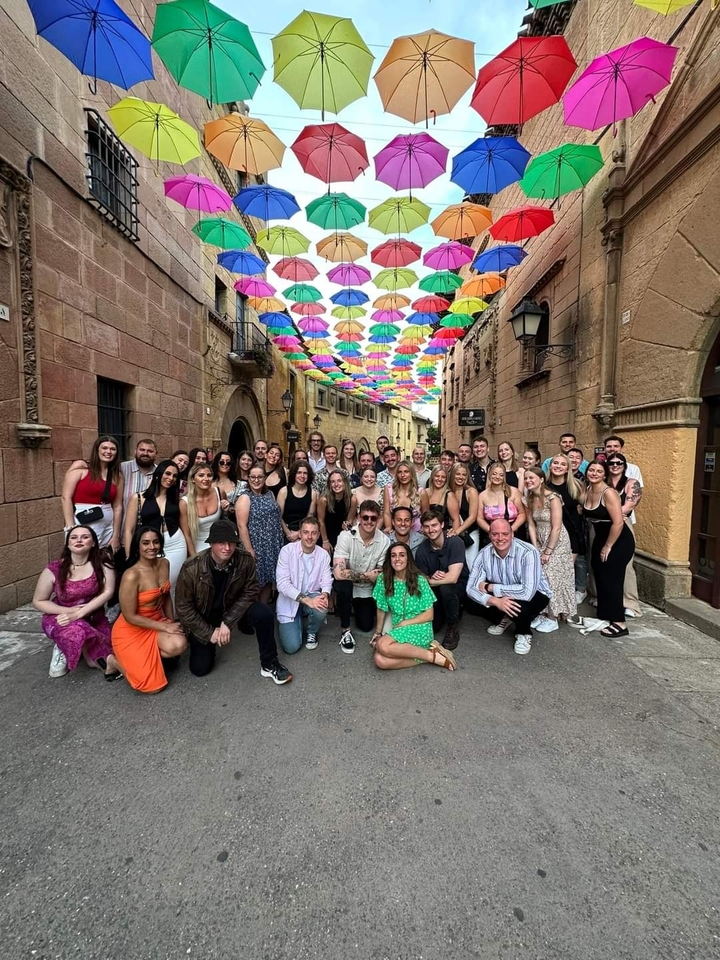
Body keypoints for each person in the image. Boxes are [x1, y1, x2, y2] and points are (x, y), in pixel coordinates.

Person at [175, 519, 291, 684]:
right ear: (211, 543)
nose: (227, 548)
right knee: (200, 669)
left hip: (234, 609)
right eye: (221, 543)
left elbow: (251, 590)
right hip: (205, 615)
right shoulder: (192, 567)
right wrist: (210, 633)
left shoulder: (245, 559)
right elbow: (183, 608)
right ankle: (212, 641)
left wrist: (227, 622)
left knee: (263, 613)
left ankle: (270, 664)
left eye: (231, 543)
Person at [33, 525, 120, 680]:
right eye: (73, 537)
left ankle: (109, 662)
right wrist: (69, 612)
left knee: (107, 646)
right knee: (79, 632)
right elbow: (38, 601)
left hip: (93, 617)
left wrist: (79, 613)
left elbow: (108, 592)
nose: (79, 540)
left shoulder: (103, 563)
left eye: (85, 537)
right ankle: (62, 646)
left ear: (93, 543)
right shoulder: (54, 568)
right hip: (60, 617)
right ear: (68, 544)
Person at [111, 526, 187, 693]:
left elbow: (166, 596)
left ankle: (146, 661)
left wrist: (171, 621)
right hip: (132, 628)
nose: (151, 547)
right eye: (145, 543)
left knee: (178, 644)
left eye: (155, 542)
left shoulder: (164, 563)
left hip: (156, 620)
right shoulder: (131, 575)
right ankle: (114, 662)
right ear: (137, 546)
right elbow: (130, 616)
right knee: (152, 688)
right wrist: (166, 627)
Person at [466, 519, 551, 656]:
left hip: (537, 594)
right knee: (470, 603)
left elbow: (527, 592)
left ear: (512, 534)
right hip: (504, 594)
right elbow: (470, 588)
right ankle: (506, 616)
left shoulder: (528, 552)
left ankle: (523, 633)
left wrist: (490, 587)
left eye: (505, 534)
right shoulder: (484, 553)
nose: (500, 538)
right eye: (495, 534)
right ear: (489, 535)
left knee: (517, 606)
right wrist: (496, 601)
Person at [371, 543, 456, 671]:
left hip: (419, 627)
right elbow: (381, 608)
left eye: (402, 555)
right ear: (389, 559)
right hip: (399, 629)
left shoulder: (419, 580)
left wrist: (405, 623)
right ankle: (428, 655)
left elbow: (429, 615)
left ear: (408, 558)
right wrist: (377, 632)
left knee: (382, 645)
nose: (397, 559)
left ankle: (432, 656)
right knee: (380, 660)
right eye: (393, 556)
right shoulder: (384, 579)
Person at [581, 460, 635, 637]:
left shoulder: (609, 493)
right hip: (600, 536)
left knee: (612, 579)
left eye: (598, 471)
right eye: (591, 470)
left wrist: (608, 546)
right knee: (600, 575)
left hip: (618, 539)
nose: (594, 473)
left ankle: (619, 623)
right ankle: (605, 615)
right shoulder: (587, 489)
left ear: (605, 474)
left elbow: (618, 523)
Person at [523, 467, 577, 631]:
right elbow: (531, 525)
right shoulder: (529, 499)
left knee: (553, 577)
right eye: (526, 479)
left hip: (556, 541)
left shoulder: (553, 498)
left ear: (541, 479)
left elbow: (557, 527)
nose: (528, 481)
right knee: (542, 577)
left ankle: (553, 617)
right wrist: (535, 546)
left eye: (531, 478)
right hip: (540, 538)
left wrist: (547, 551)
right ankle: (543, 612)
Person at [333, 500, 390, 653]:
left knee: (366, 626)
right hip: (349, 584)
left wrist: (369, 576)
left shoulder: (384, 541)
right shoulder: (346, 536)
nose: (369, 521)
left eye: (373, 518)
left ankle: (355, 606)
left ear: (378, 519)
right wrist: (367, 575)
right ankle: (345, 630)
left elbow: (380, 574)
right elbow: (339, 573)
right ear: (359, 517)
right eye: (365, 517)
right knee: (344, 585)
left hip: (367, 589)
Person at [123, 459, 186, 593]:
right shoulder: (139, 498)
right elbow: (129, 530)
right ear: (158, 474)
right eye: (167, 474)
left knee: (171, 585)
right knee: (152, 586)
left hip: (176, 543)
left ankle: (171, 614)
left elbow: (185, 527)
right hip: (151, 545)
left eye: (175, 476)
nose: (170, 478)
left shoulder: (177, 500)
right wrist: (129, 555)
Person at [276, 516, 333, 654]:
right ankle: (294, 620)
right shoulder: (286, 551)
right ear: (300, 534)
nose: (309, 537)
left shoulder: (323, 555)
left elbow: (326, 580)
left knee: (321, 607)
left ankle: (311, 631)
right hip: (291, 600)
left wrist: (324, 595)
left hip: (311, 594)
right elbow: (282, 584)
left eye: (314, 533)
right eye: (306, 532)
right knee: (291, 647)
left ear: (319, 535)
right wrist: (308, 601)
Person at [415, 510, 468, 650]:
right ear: (423, 529)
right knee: (435, 625)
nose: (431, 530)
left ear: (442, 524)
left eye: (434, 525)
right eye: (427, 526)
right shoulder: (422, 550)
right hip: (435, 588)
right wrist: (429, 578)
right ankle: (446, 611)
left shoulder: (455, 542)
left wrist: (431, 580)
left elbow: (453, 578)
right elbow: (421, 578)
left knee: (447, 589)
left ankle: (452, 626)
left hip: (458, 586)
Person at [61, 435, 123, 550]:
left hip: (108, 524)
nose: (108, 452)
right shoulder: (81, 470)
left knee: (103, 558)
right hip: (85, 519)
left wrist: (116, 535)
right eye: (104, 448)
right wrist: (70, 528)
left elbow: (118, 506)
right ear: (97, 450)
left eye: (112, 449)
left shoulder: (116, 475)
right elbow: (66, 498)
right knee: (82, 555)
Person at [235, 466, 285, 604]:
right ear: (248, 478)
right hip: (257, 544)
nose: (256, 480)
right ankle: (253, 613)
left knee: (269, 579)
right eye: (253, 477)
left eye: (260, 477)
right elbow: (242, 526)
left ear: (265, 478)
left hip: (272, 544)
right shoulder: (245, 497)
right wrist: (249, 549)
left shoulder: (269, 494)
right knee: (255, 582)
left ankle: (263, 609)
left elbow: (277, 517)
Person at [545, 453, 587, 605]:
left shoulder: (576, 485)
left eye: (563, 464)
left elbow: (587, 505)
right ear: (550, 466)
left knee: (565, 573)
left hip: (571, 534)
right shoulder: (544, 485)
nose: (558, 466)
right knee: (550, 574)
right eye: (555, 463)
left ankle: (565, 608)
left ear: (568, 468)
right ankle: (551, 607)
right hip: (548, 535)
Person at [606, 451, 643, 619]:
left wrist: (608, 514)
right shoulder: (602, 481)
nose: (615, 466)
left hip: (622, 524)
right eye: (611, 463)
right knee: (601, 562)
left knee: (626, 565)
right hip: (601, 526)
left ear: (624, 466)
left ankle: (631, 604)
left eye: (618, 463)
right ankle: (602, 598)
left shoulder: (631, 483)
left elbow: (629, 505)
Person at [477, 464, 525, 544]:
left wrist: (511, 529)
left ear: (504, 477)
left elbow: (522, 513)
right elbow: (479, 518)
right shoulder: (482, 495)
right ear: (489, 474)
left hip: (514, 532)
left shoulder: (514, 492)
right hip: (492, 535)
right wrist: (491, 531)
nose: (497, 477)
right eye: (494, 474)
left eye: (501, 475)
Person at [180, 464, 222, 556]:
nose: (206, 479)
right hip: (198, 546)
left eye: (209, 475)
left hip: (220, 544)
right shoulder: (184, 503)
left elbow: (225, 518)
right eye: (201, 475)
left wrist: (227, 509)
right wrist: (194, 557)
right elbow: (187, 535)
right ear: (192, 479)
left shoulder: (219, 492)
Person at [448, 462, 481, 567]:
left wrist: (457, 531)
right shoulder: (447, 491)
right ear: (453, 474)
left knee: (471, 564)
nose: (460, 477)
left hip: (469, 533)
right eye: (458, 474)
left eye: (464, 474)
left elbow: (472, 517)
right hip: (451, 532)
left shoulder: (471, 491)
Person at [277, 461, 317, 543]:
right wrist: (288, 533)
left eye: (305, 473)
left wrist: (299, 533)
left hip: (304, 533)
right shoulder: (284, 491)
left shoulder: (313, 493)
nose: (302, 476)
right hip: (285, 532)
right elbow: (278, 516)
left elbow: (309, 518)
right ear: (294, 474)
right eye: (299, 473)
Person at [383, 460, 422, 533]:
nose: (403, 475)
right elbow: (387, 513)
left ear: (412, 474)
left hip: (416, 532)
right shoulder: (389, 489)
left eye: (406, 472)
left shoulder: (421, 492)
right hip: (395, 531)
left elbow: (425, 515)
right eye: (399, 472)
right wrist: (389, 529)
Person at [317, 470, 352, 553]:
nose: (336, 484)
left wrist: (347, 524)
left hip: (342, 535)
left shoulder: (352, 499)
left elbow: (350, 519)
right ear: (329, 485)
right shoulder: (324, 500)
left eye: (339, 481)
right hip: (326, 535)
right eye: (333, 482)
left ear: (345, 482)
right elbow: (320, 521)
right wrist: (325, 541)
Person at [120, 439, 157, 514]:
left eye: (150, 451)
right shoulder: (122, 468)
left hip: (150, 523)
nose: (145, 453)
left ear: (156, 453)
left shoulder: (159, 472)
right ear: (135, 451)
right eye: (142, 450)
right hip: (124, 522)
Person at [421, 465, 461, 532]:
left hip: (443, 534)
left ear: (446, 479)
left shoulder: (449, 495)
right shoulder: (424, 492)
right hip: (426, 533)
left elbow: (456, 520)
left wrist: (453, 534)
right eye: (437, 476)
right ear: (432, 477)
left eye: (443, 477)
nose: (439, 479)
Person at [212, 451, 244, 519]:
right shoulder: (209, 484)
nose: (225, 464)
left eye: (228, 462)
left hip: (235, 520)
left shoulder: (240, 485)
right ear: (216, 463)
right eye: (222, 462)